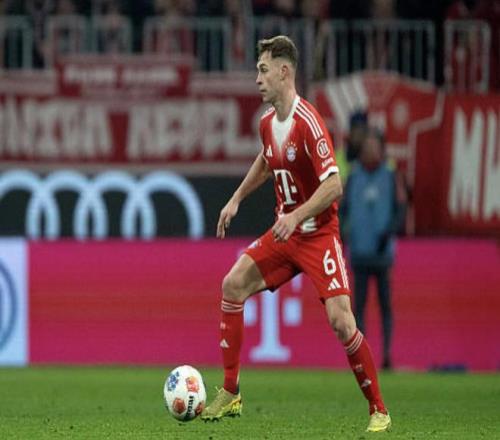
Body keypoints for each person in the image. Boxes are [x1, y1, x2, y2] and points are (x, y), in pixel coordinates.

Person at [201, 35, 391, 433]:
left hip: (318, 235)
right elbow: (266, 161)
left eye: (263, 70)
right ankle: (231, 392)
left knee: (342, 322)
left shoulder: (309, 123)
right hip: (284, 235)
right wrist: (236, 199)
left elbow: (334, 185)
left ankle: (379, 409)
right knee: (232, 284)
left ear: (284, 72)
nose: (257, 79)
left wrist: (298, 215)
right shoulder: (267, 123)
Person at [340, 128, 406, 370]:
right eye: (366, 147)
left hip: (382, 253)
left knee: (385, 304)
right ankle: (362, 357)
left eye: (373, 147)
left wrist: (388, 232)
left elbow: (401, 210)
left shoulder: (390, 176)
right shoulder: (353, 176)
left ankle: (387, 355)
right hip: (359, 252)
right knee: (358, 307)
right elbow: (342, 209)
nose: (369, 152)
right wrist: (343, 233)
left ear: (381, 150)